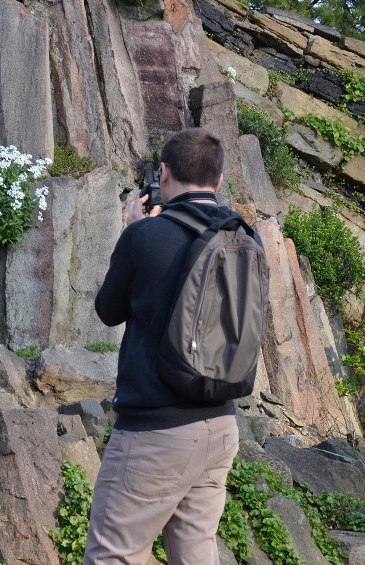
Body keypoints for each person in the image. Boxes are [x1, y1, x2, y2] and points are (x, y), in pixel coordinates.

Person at [85, 128, 247, 565]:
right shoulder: (243, 238)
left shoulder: (145, 235)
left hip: (156, 432)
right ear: (218, 179)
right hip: (221, 426)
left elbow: (108, 310)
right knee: (196, 553)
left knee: (113, 554)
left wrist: (133, 232)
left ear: (164, 173)